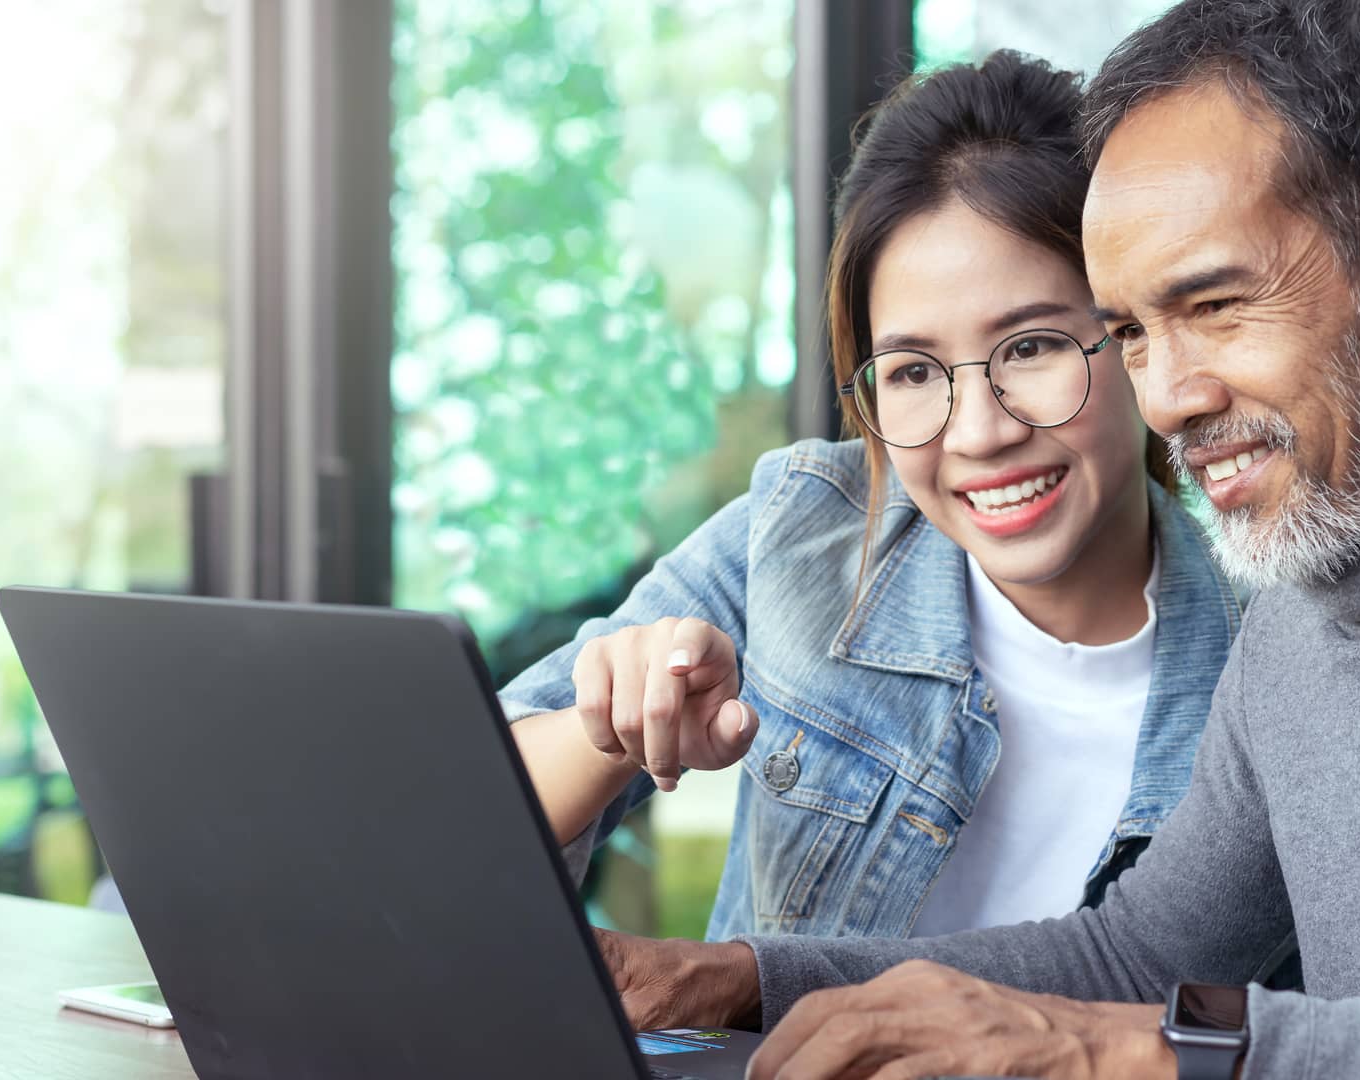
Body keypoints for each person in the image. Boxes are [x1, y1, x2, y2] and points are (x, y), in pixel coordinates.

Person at [590, 2, 1360, 1077]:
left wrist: (1140, 1054)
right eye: (1132, 333)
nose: (1166, 398)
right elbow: (1138, 953)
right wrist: (740, 977)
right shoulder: (1305, 630)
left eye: (1213, 305)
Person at [500, 51, 1244, 950]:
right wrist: (611, 729)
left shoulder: (1264, 659)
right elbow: (453, 819)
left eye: (1032, 348)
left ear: (1132, 335)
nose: (977, 433)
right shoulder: (805, 530)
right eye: (914, 372)